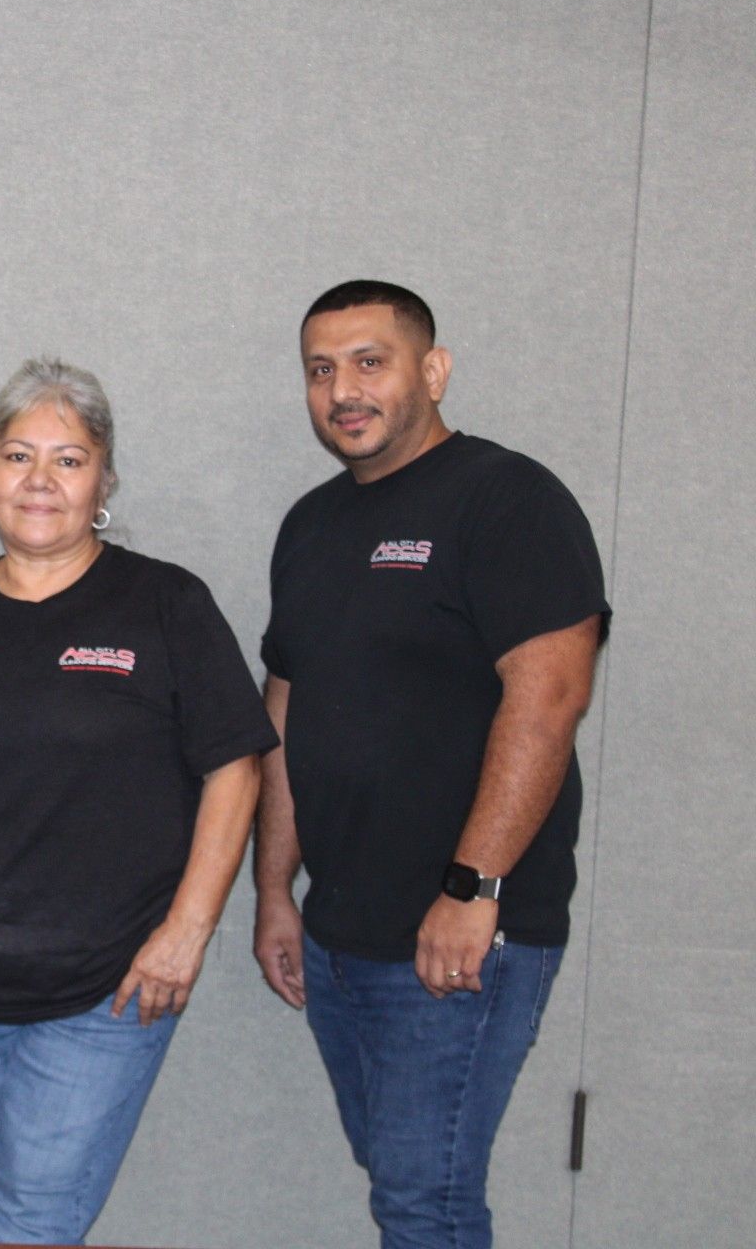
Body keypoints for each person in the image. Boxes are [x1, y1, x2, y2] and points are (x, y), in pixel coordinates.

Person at [0, 358, 277, 1246]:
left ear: (104, 480)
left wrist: (187, 932)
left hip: (111, 982)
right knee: (19, 1206)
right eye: (17, 456)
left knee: (24, 1222)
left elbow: (236, 768)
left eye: (69, 459)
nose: (40, 480)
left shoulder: (165, 604)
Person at [253, 281, 608, 1248]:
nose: (343, 391)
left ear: (433, 370)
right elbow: (287, 709)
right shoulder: (310, 526)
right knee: (404, 1177)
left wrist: (473, 886)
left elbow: (551, 696)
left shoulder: (507, 499)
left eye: (371, 362)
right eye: (322, 371)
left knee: (424, 1198)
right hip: (341, 929)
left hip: (465, 930)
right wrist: (275, 886)